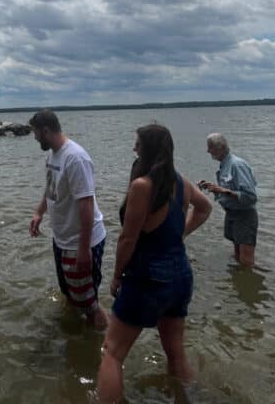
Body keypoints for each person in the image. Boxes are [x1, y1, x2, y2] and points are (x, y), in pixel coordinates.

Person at [97, 124, 212, 403]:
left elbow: (128, 239)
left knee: (111, 352)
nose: (133, 149)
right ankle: (188, 398)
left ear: (148, 149)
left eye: (137, 144)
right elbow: (205, 207)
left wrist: (115, 277)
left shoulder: (142, 186)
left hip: (148, 278)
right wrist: (179, 234)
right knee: (176, 352)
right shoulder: (181, 183)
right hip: (180, 274)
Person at [28, 109, 108, 329]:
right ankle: (76, 338)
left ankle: (103, 349)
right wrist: (39, 213)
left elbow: (86, 205)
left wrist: (83, 249)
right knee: (71, 295)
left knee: (90, 304)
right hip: (63, 240)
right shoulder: (54, 155)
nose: (34, 138)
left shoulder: (75, 158)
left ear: (46, 130)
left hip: (81, 242)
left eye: (36, 133)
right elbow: (51, 189)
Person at [198, 133, 258, 267]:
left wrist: (222, 190)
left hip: (244, 216)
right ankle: (239, 280)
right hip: (231, 213)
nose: (208, 151)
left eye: (210, 147)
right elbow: (228, 189)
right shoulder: (225, 164)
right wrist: (212, 187)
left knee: (246, 260)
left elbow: (251, 197)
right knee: (237, 255)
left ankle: (245, 283)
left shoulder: (237, 165)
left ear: (221, 147)